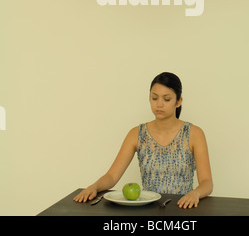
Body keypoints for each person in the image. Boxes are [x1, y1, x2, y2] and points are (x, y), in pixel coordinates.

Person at [73, 72, 213, 209]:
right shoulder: (136, 134)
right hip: (148, 209)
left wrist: (195, 193)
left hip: (183, 209)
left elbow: (207, 182)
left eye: (166, 99)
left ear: (178, 101)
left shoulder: (194, 133)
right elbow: (112, 176)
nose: (159, 104)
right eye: (154, 98)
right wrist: (93, 187)